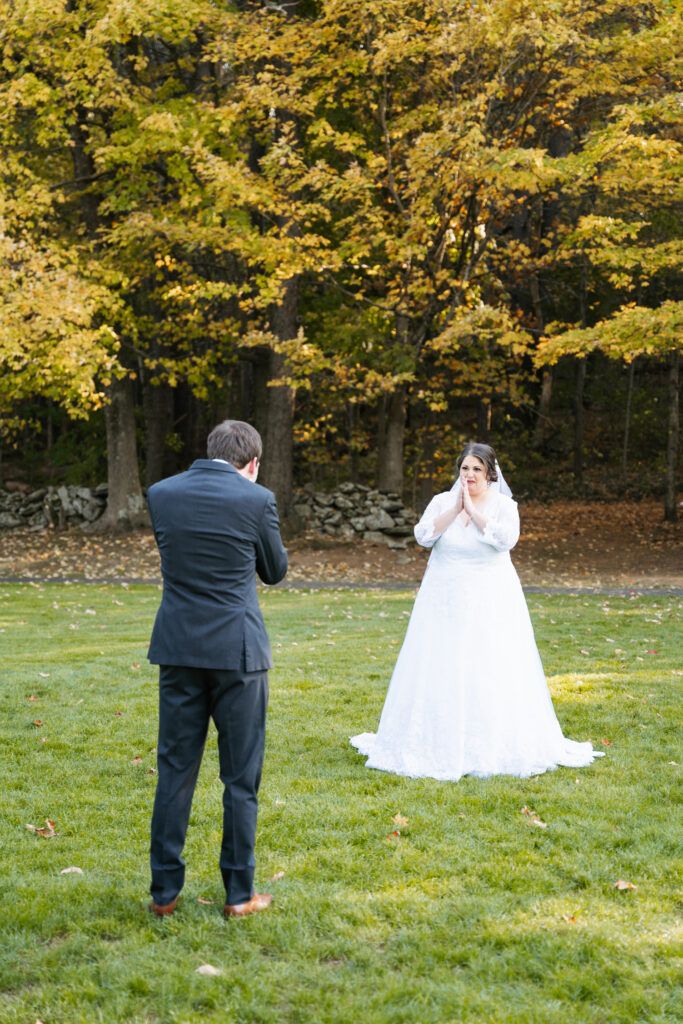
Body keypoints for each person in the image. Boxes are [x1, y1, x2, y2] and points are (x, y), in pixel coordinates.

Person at [351, 442, 602, 781]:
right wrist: (456, 509)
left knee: (487, 665)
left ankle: (490, 743)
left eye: (476, 470)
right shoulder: (442, 501)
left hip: (490, 597)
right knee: (441, 663)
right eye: (465, 468)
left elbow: (506, 540)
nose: (469, 475)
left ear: (489, 474)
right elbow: (423, 536)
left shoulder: (504, 506)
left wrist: (475, 511)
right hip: (444, 597)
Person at [146, 420, 288, 918]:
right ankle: (239, 894)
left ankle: (164, 894)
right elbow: (274, 571)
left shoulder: (161, 494)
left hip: (179, 648)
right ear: (252, 463)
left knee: (175, 772)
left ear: (208, 451)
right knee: (240, 778)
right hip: (239, 654)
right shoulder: (257, 499)